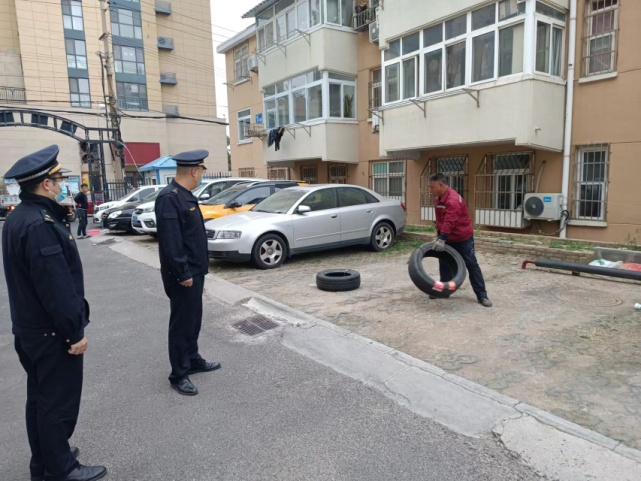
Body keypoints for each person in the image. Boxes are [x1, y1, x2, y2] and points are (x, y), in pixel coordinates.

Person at [2, 145, 107, 481]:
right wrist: (74, 333)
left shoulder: (21, 216)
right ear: (45, 184)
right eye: (58, 178)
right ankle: (60, 469)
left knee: (40, 401)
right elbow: (56, 289)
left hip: (30, 331)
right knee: (56, 406)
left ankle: (46, 459)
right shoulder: (39, 224)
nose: (62, 182)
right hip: (51, 335)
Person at [155, 150, 221, 396]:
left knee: (193, 320)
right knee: (182, 325)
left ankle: (192, 359)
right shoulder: (169, 198)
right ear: (194, 171)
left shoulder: (184, 195)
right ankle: (179, 374)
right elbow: (172, 242)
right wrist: (183, 273)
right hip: (183, 275)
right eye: (202, 171)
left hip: (195, 271)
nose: (201, 175)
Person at [428, 172, 492, 308]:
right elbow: (441, 220)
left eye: (432, 187)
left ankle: (482, 296)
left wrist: (442, 239)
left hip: (462, 238)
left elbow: (449, 221)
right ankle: (444, 291)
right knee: (444, 263)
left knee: (471, 265)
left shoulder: (453, 200)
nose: (430, 190)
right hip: (446, 237)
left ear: (440, 185)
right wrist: (440, 236)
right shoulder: (438, 198)